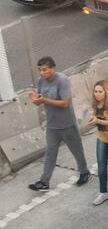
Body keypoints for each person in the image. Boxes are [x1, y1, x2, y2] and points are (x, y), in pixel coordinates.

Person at [28, 57, 89, 192]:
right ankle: (44, 181)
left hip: (67, 124)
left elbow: (65, 103)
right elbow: (40, 98)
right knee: (50, 153)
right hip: (52, 125)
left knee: (77, 150)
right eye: (40, 70)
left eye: (44, 70)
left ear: (52, 68)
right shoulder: (41, 81)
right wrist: (36, 99)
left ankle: (84, 172)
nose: (41, 73)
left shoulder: (62, 80)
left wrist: (45, 100)